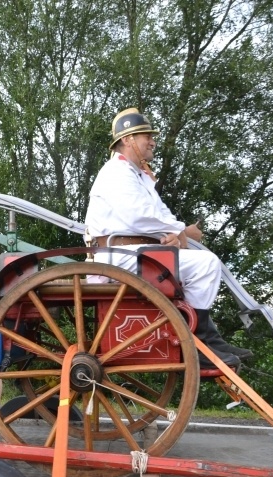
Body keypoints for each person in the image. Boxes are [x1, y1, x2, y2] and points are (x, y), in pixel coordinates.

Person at [84, 107, 253, 368]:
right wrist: (181, 231)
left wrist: (174, 233)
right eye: (147, 136)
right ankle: (196, 344)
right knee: (206, 264)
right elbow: (138, 216)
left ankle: (208, 340)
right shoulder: (116, 172)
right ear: (128, 139)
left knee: (199, 264)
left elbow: (159, 214)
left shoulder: (137, 176)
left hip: (135, 253)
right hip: (118, 256)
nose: (153, 141)